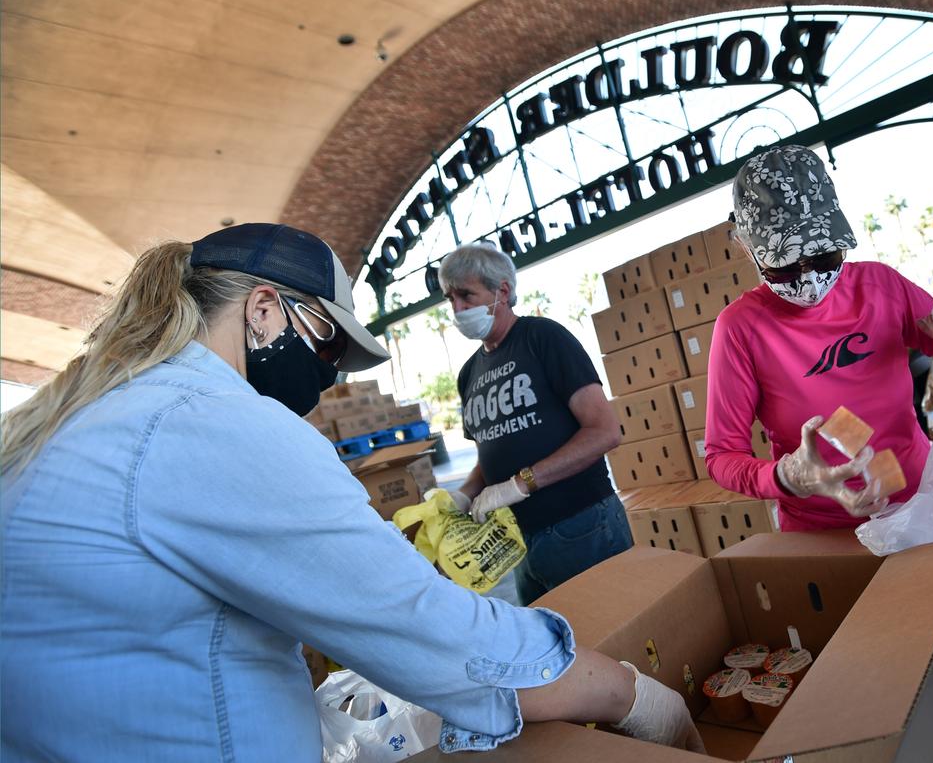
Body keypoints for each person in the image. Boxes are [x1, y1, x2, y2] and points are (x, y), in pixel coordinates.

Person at [0, 223, 701, 760]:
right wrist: (631, 692)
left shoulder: (80, 414)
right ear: (264, 311)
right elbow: (432, 635)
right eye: (329, 344)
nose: (329, 374)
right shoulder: (214, 423)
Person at [704, 146, 933, 763]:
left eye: (822, 256)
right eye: (786, 266)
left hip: (920, 518)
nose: (809, 277)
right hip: (827, 543)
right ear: (749, 250)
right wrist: (790, 476)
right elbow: (722, 455)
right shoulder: (741, 330)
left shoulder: (879, 286)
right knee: (863, 691)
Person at [438, 243, 632, 606]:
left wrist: (522, 483)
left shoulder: (542, 338)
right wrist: (463, 494)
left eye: (466, 295)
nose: (458, 309)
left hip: (581, 524)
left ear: (502, 291)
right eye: (451, 299)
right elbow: (494, 451)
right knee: (557, 651)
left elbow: (604, 431)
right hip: (518, 540)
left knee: (613, 635)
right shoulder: (469, 374)